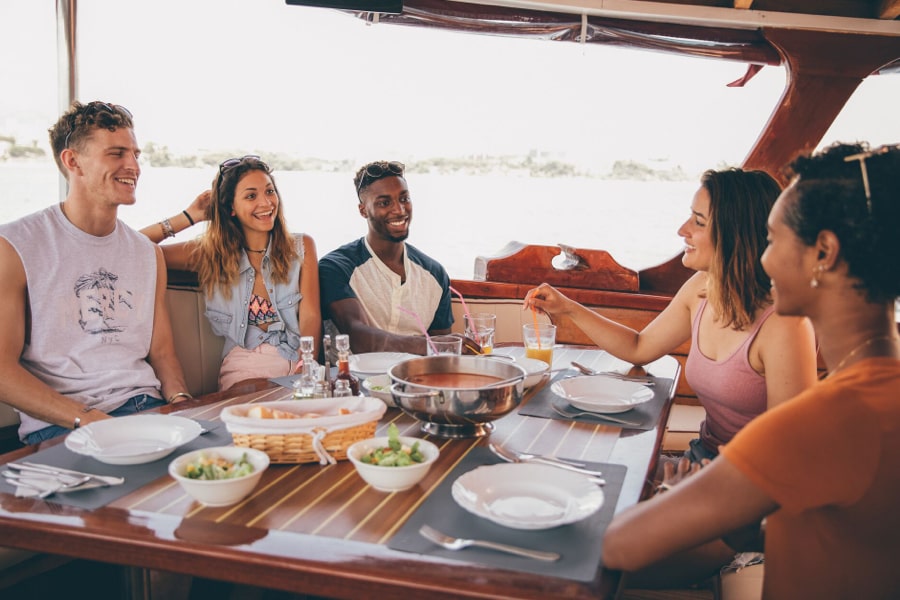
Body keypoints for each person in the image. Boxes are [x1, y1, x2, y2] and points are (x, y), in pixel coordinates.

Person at [603, 142, 900, 599]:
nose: (763, 258)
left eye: (774, 239)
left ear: (824, 252)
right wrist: (749, 530)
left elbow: (621, 545)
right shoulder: (879, 394)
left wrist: (681, 497)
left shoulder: (822, 418)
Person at [524, 168, 818, 464]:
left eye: (698, 222)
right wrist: (569, 307)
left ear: (735, 234)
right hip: (702, 457)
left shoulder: (785, 324)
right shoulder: (702, 288)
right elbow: (639, 347)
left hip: (749, 477)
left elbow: (791, 452)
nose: (682, 230)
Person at [0, 100, 191, 445]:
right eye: (117, 153)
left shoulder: (147, 254)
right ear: (73, 161)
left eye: (135, 154)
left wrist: (181, 406)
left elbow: (162, 354)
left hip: (149, 411)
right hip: (63, 424)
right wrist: (89, 420)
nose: (133, 166)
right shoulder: (14, 246)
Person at [144, 155, 321, 391]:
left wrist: (305, 365)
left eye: (269, 192)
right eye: (251, 196)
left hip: (299, 361)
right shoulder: (209, 253)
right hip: (247, 366)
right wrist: (189, 216)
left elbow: (310, 316)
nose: (266, 203)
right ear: (231, 208)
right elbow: (130, 247)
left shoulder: (300, 247)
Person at [318, 160, 458, 355]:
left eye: (404, 199)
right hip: (351, 382)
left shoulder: (435, 273)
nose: (399, 210)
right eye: (384, 203)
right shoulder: (335, 268)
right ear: (363, 210)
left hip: (414, 380)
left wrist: (447, 347)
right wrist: (435, 346)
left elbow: (440, 354)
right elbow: (357, 338)